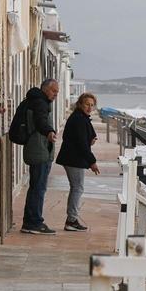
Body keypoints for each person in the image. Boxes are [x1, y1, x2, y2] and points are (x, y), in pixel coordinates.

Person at [15, 78, 59, 234]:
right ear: (45, 89)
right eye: (54, 91)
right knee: (38, 188)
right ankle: (34, 222)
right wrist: (49, 131)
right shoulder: (40, 103)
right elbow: (40, 121)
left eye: (57, 92)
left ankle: (29, 222)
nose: (55, 95)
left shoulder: (33, 100)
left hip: (36, 149)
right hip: (39, 150)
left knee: (36, 187)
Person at [55, 92, 101, 231]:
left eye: (92, 105)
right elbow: (81, 143)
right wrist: (92, 162)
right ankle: (71, 220)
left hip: (74, 158)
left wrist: (90, 140)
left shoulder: (82, 118)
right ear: (80, 104)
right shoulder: (79, 119)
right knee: (77, 188)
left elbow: (89, 136)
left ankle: (72, 219)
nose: (89, 107)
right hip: (73, 158)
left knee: (76, 187)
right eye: (87, 104)